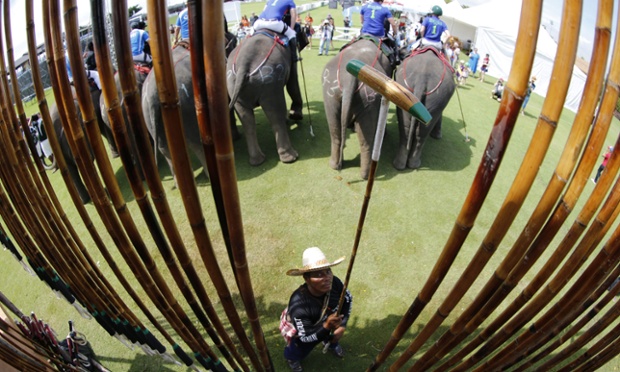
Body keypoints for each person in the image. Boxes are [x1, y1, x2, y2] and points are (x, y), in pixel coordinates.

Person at [283, 247, 352, 372]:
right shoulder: (299, 306)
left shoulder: (335, 283)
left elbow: (347, 300)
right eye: (319, 274)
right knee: (299, 350)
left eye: (328, 271)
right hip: (306, 331)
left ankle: (331, 344)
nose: (327, 278)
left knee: (333, 337)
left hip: (329, 323)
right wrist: (326, 326)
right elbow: (304, 338)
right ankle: (292, 359)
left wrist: (342, 325)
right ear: (306, 278)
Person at [253, 0, 303, 120]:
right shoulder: (289, 1)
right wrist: (290, 29)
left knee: (250, 35)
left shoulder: (270, 0)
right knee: (292, 34)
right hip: (274, 23)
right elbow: (293, 16)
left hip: (258, 23)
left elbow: (264, 10)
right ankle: (293, 57)